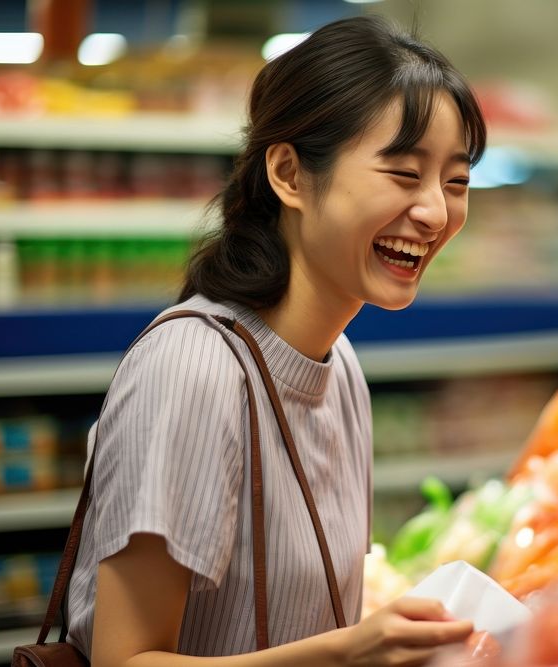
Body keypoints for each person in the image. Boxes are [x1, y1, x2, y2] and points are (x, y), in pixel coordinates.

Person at [65, 14, 486, 665]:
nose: (435, 212)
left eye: (456, 182)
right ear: (289, 173)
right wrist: (349, 652)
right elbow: (126, 660)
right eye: (404, 174)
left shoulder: (339, 364)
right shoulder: (192, 369)